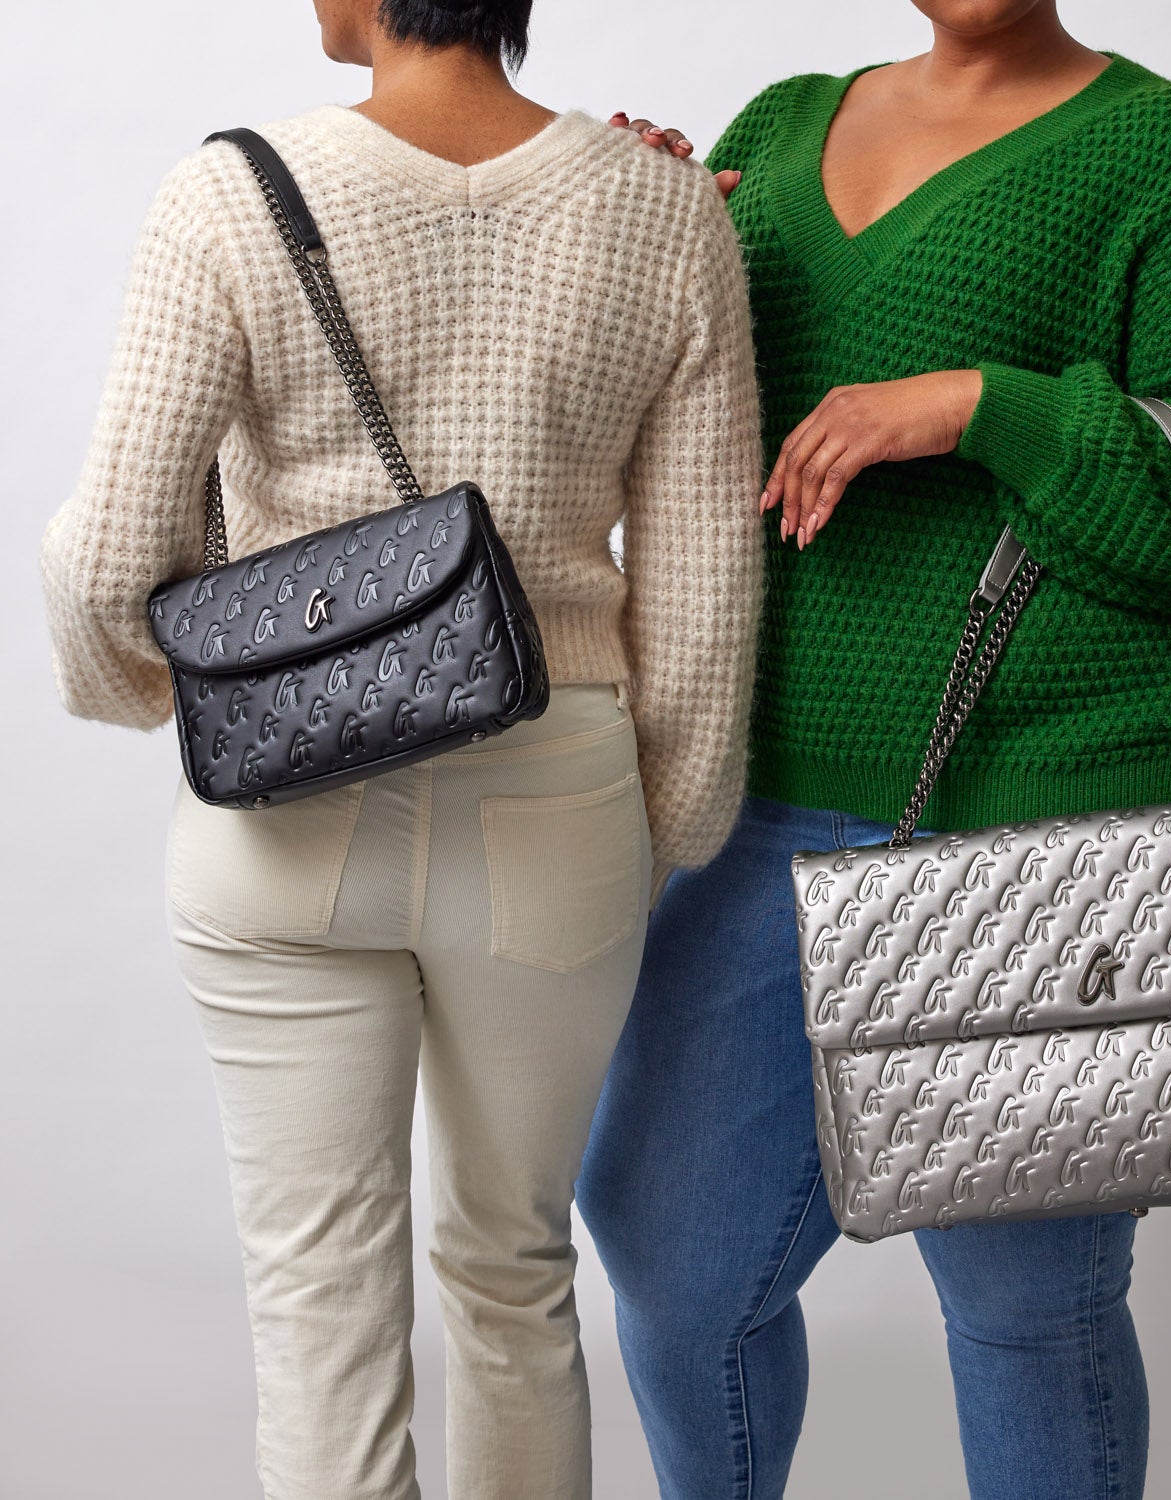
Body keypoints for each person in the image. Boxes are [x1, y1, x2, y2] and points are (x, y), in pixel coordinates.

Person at [578, 3, 1171, 1497]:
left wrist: (987, 410)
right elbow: (662, 440)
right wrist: (623, 238)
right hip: (770, 805)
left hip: (1045, 822)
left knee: (1019, 1311)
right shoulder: (778, 126)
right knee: (669, 1260)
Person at [39, 1, 762, 1494]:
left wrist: (136, 688)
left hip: (284, 814)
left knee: (316, 1308)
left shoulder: (226, 196)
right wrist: (648, 835)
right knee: (515, 1272)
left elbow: (111, 559)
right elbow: (705, 618)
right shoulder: (668, 210)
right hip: (554, 812)